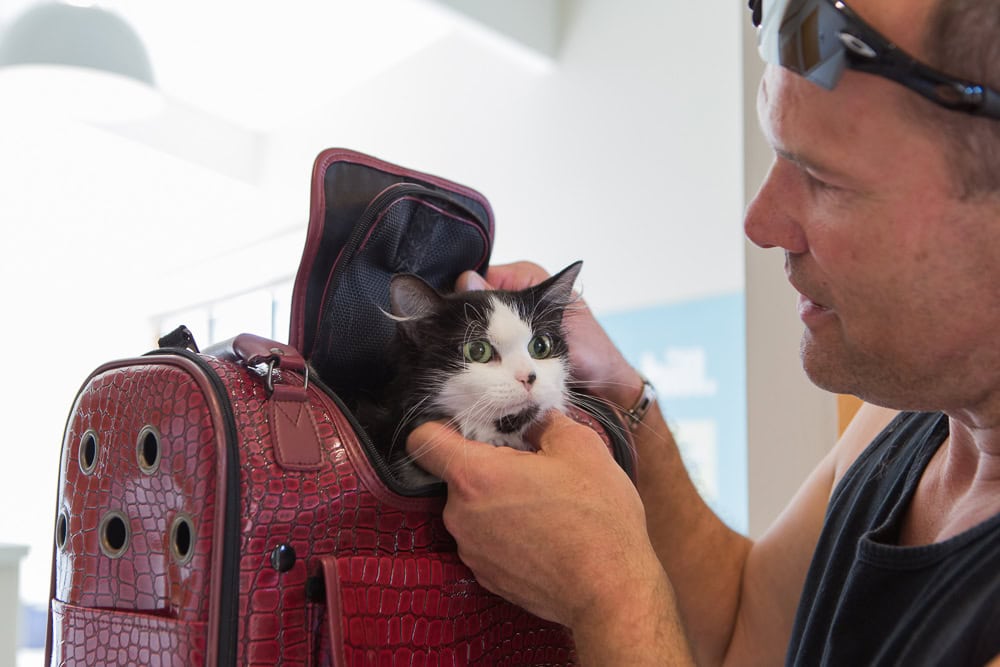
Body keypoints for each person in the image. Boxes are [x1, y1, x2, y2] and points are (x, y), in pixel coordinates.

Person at [407, 0, 1000, 663]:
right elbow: (743, 633)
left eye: (827, 180)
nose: (760, 221)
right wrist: (626, 398)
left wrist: (610, 594)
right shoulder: (898, 424)